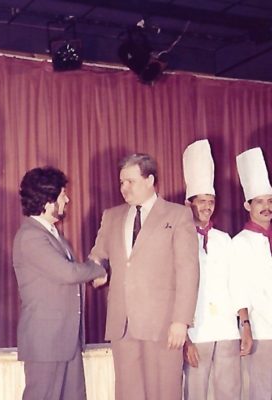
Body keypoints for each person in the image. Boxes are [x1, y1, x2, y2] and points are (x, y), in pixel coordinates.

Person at [90, 153, 199, 400]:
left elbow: (188, 271)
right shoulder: (112, 216)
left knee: (164, 391)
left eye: (131, 181)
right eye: (121, 182)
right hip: (123, 325)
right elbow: (98, 256)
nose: (124, 188)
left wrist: (181, 321)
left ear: (150, 180)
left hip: (163, 325)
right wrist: (97, 271)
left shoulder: (178, 215)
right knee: (128, 393)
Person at [12, 166, 106, 400]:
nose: (67, 200)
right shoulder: (31, 236)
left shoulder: (52, 233)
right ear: (48, 200)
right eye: (63, 195)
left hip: (65, 339)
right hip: (46, 341)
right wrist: (97, 269)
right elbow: (68, 273)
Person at [182, 140, 252, 400]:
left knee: (230, 393)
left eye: (211, 201)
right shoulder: (179, 239)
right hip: (196, 332)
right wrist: (185, 340)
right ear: (188, 203)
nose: (207, 207)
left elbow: (236, 284)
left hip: (226, 330)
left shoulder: (224, 240)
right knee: (195, 393)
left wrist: (245, 325)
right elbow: (173, 290)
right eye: (201, 201)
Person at [231, 147, 272, 399]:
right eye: (260, 202)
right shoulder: (240, 243)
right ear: (248, 205)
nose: (267, 207)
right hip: (262, 331)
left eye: (270, 201)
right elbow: (238, 289)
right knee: (263, 391)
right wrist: (246, 326)